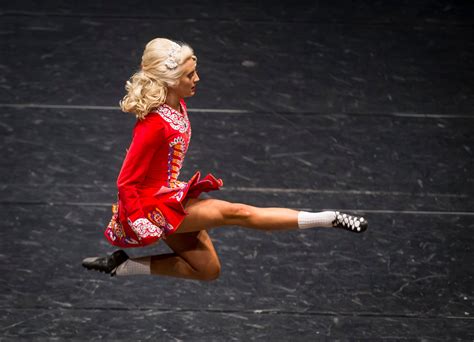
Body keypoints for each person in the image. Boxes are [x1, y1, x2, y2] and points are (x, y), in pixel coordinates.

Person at [82, 38, 368, 280]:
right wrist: (138, 219)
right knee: (239, 212)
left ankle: (121, 266)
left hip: (168, 196)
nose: (197, 79)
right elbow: (126, 181)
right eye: (189, 75)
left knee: (207, 270)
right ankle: (327, 219)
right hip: (151, 206)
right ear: (170, 81)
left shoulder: (177, 104)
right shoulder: (153, 124)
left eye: (195, 72)